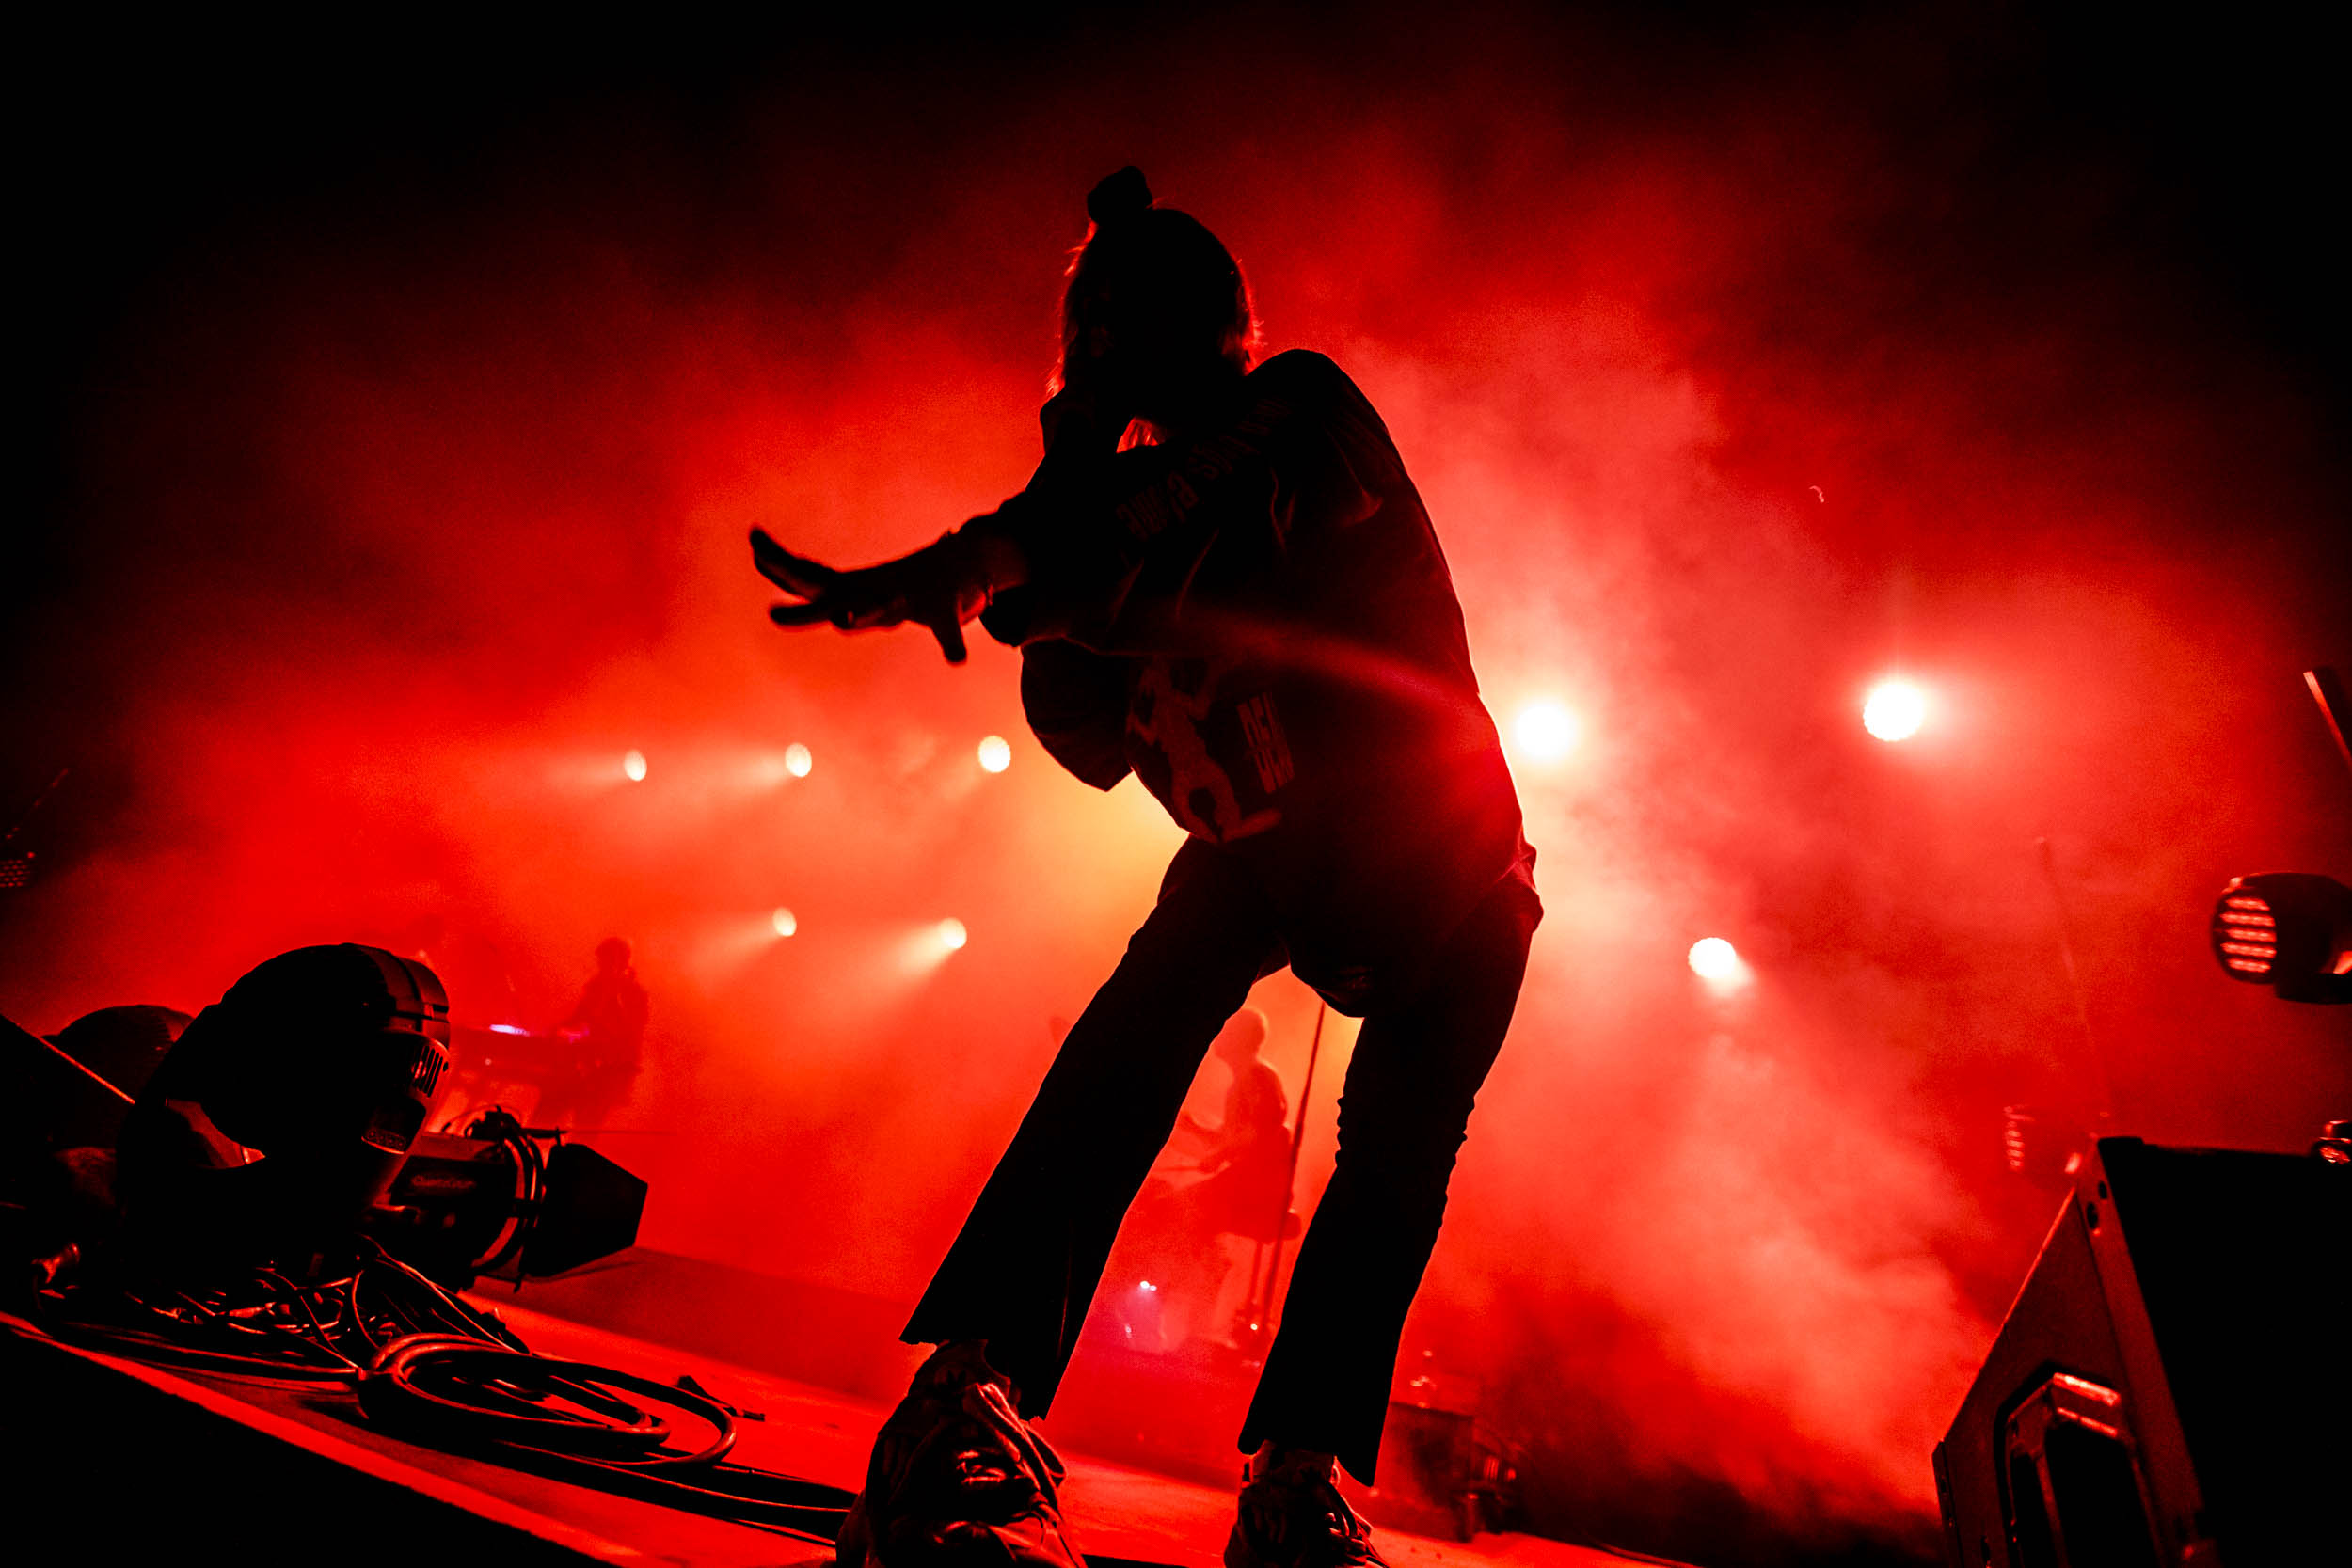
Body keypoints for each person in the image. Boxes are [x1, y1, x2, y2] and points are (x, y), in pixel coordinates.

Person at [753, 166, 1538, 1568]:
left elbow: (1155, 524)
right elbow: (1079, 717)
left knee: (1392, 1156)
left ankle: (1293, 1476)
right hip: (1267, 850)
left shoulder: (1304, 407)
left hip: (1451, 860)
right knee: (1123, 1058)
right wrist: (1041, 502)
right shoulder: (1103, 513)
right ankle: (973, 1390)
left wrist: (992, 537)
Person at [541, 937, 647, 1129]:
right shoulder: (596, 987)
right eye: (600, 962)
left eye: (605, 961)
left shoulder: (633, 994)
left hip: (605, 1074)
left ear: (619, 962)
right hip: (579, 1066)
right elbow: (579, 1018)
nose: (600, 966)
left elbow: (627, 1035)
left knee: (585, 1127)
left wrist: (583, 1034)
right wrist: (557, 1030)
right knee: (546, 1116)